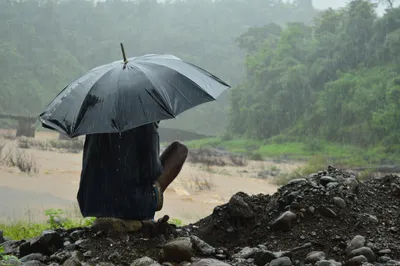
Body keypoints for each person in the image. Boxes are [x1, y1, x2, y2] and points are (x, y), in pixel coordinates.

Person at [77, 121, 188, 233]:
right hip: (129, 205)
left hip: (92, 201)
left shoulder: (98, 118)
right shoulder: (145, 122)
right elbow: (152, 171)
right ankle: (141, 218)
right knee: (180, 150)